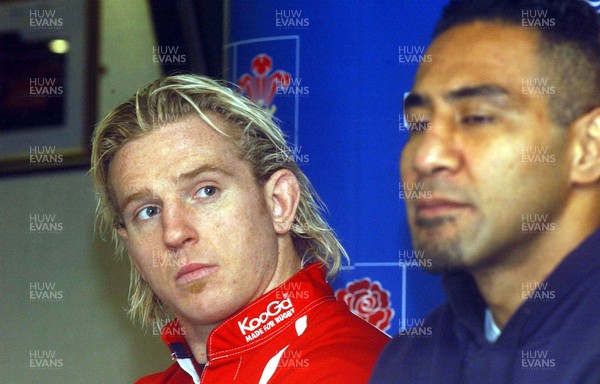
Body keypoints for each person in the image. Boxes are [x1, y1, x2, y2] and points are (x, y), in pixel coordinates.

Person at [91, 74, 389, 383]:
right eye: (148, 211)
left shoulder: (349, 370)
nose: (174, 233)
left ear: (279, 202)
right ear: (132, 249)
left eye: (206, 191)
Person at [370, 0, 600, 383]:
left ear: (588, 147)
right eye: (418, 125)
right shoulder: (411, 362)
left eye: (477, 118)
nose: (427, 156)